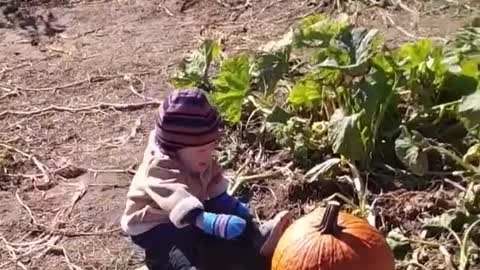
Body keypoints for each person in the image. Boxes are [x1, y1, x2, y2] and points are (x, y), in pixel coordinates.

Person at [120, 88, 293, 270]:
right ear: (175, 147)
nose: (208, 154)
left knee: (226, 220)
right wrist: (207, 221)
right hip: (156, 226)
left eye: (211, 147)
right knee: (179, 251)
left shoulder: (197, 156)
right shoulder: (158, 167)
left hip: (194, 214)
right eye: (202, 150)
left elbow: (213, 180)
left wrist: (228, 204)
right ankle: (163, 262)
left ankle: (255, 238)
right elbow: (175, 198)